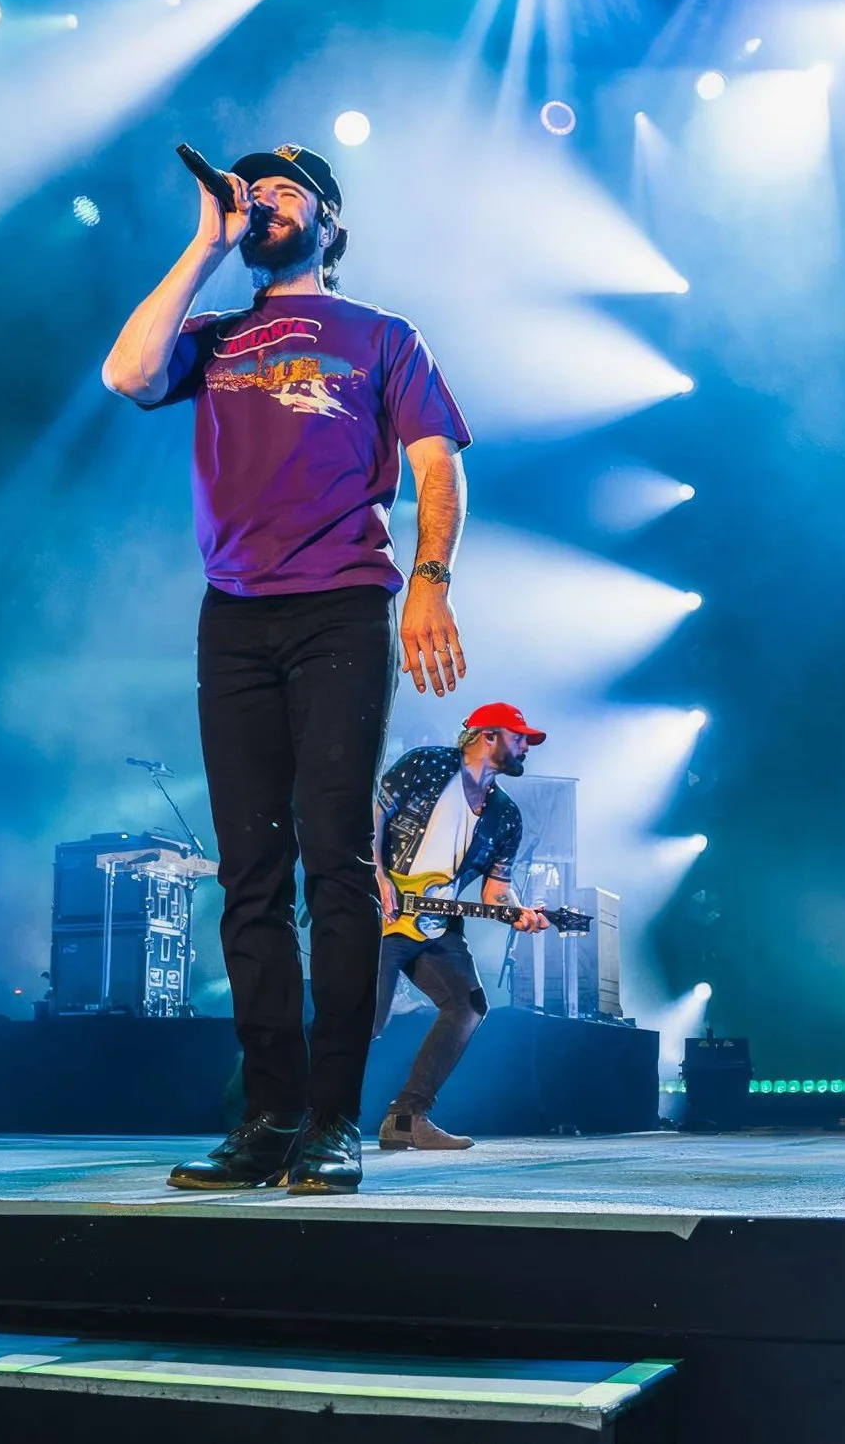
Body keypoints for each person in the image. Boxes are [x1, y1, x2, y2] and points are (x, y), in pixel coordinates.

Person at [104, 143, 472, 1194]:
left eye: (284, 191)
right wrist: (205, 244)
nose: (260, 199)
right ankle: (266, 1118)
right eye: (251, 189)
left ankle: (332, 1120)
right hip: (234, 615)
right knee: (249, 876)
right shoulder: (216, 334)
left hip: (341, 606)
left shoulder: (381, 335)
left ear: (330, 222)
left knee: (335, 861)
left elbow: (437, 464)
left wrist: (430, 581)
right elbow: (128, 375)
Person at [371, 702, 550, 1149]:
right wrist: (376, 875)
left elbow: (496, 891)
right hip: (381, 910)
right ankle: (299, 1113)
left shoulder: (505, 815)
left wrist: (520, 912)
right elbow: (371, 815)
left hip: (438, 924)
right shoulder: (427, 764)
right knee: (366, 1018)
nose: (526, 747)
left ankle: (407, 1116)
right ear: (487, 736)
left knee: (468, 1005)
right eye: (519, 737)